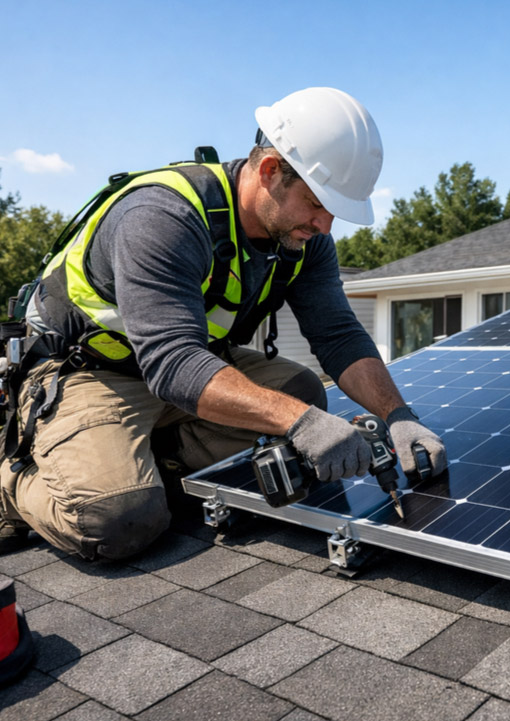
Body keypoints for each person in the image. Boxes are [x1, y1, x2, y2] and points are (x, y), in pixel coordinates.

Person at [0, 87, 446, 559]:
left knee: (303, 394)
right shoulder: (164, 216)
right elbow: (173, 363)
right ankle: (12, 481)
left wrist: (397, 415)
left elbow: (338, 335)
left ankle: (150, 456)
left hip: (186, 369)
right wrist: (300, 422)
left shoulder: (303, 240)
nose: (325, 226)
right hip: (91, 371)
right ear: (271, 170)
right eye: (318, 203)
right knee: (118, 520)